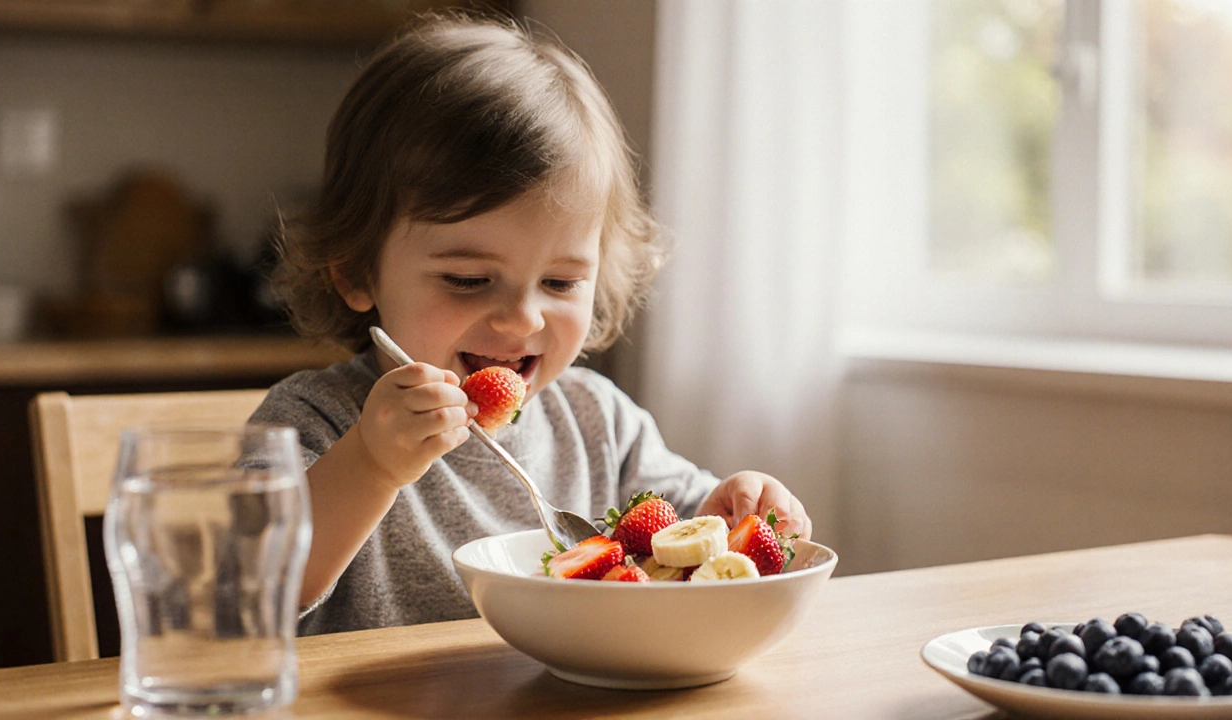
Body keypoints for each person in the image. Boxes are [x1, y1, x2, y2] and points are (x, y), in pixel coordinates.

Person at [251, 11, 813, 636]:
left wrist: (736, 508)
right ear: (356, 273)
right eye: (468, 280)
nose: (522, 318)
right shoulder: (313, 419)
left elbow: (684, 540)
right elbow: (246, 590)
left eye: (561, 282)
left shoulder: (599, 423)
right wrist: (370, 466)